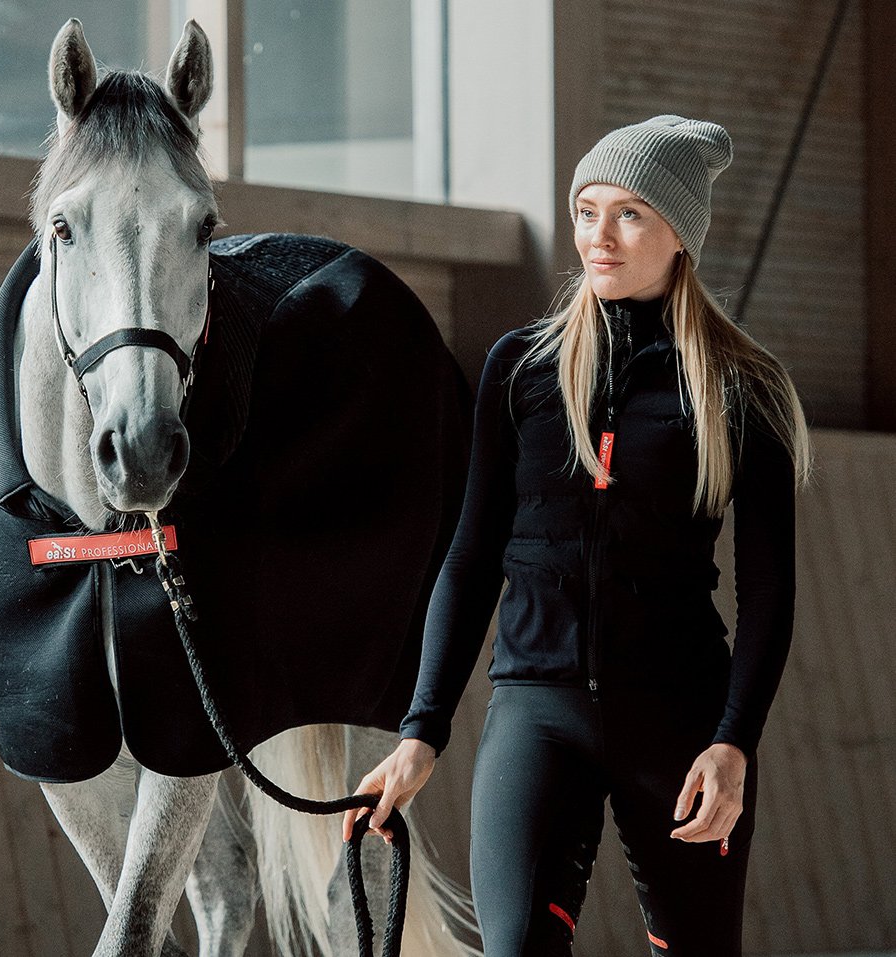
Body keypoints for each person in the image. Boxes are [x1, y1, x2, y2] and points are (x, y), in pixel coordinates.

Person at [345, 115, 812, 956]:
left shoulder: (743, 389)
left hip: (681, 725)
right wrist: (422, 729)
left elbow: (770, 590)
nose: (599, 236)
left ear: (680, 235)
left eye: (630, 213)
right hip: (537, 714)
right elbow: (472, 554)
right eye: (587, 209)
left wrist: (733, 743)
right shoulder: (520, 368)